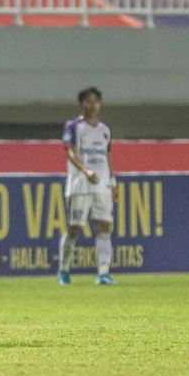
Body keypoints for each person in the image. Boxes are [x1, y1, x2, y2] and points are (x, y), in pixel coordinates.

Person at [57, 87, 119, 286]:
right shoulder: (73, 126)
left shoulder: (105, 130)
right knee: (74, 228)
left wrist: (113, 182)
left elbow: (107, 157)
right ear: (81, 104)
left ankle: (103, 273)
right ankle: (64, 271)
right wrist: (86, 171)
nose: (92, 105)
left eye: (96, 101)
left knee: (104, 227)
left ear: (100, 104)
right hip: (80, 185)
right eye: (88, 101)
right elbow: (70, 152)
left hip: (102, 186)